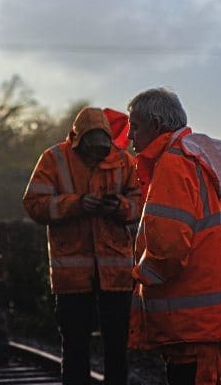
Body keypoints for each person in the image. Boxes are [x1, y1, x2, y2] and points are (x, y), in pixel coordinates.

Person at [127, 87, 221, 385]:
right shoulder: (199, 158)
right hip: (207, 317)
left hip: (190, 320)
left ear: (156, 125)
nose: (129, 137)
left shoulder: (172, 165)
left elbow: (168, 251)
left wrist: (138, 277)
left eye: (135, 127)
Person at [22, 107, 142, 385]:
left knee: (118, 349)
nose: (96, 155)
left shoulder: (124, 161)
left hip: (116, 276)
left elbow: (141, 203)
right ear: (78, 140)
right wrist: (76, 204)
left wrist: (119, 207)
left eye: (101, 150)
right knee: (75, 348)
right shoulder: (53, 159)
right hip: (72, 277)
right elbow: (33, 204)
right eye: (90, 150)